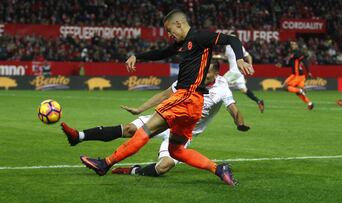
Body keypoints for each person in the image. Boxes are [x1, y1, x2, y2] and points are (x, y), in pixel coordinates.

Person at [77, 9, 253, 186]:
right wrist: (137, 57)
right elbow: (161, 53)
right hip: (195, 104)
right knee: (176, 150)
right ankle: (218, 169)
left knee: (145, 131)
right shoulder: (182, 44)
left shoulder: (199, 38)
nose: (169, 35)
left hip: (185, 97)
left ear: (179, 24)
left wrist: (239, 59)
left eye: (170, 30)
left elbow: (232, 39)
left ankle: (105, 164)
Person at [62, 61, 250, 177]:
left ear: (215, 73)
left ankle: (132, 170)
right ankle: (78, 136)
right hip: (165, 117)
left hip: (182, 132)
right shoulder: (191, 77)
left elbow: (233, 109)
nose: (202, 76)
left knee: (164, 166)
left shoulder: (222, 88)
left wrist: (239, 123)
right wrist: (140, 109)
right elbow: (164, 94)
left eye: (206, 73)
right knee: (129, 129)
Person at [222, 45, 264, 113]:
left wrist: (250, 65)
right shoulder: (227, 47)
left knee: (221, 83)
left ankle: (230, 103)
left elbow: (248, 56)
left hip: (235, 71)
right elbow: (227, 57)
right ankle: (259, 101)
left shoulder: (239, 46)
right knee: (243, 90)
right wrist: (217, 56)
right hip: (238, 71)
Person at [276, 41, 314, 110]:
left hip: (298, 75)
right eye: (292, 44)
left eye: (294, 44)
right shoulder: (293, 54)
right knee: (297, 92)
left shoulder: (297, 52)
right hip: (296, 75)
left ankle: (300, 91)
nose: (292, 45)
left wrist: (308, 72)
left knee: (286, 87)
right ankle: (310, 103)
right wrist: (282, 65)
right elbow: (291, 64)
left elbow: (305, 61)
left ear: (297, 45)